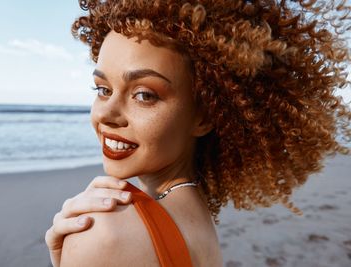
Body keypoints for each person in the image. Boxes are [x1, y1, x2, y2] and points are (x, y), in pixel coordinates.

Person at [45, 0, 351, 266]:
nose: (106, 115)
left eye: (144, 95)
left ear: (205, 116)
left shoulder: (106, 234)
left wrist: (78, 253)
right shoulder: (195, 217)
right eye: (103, 89)